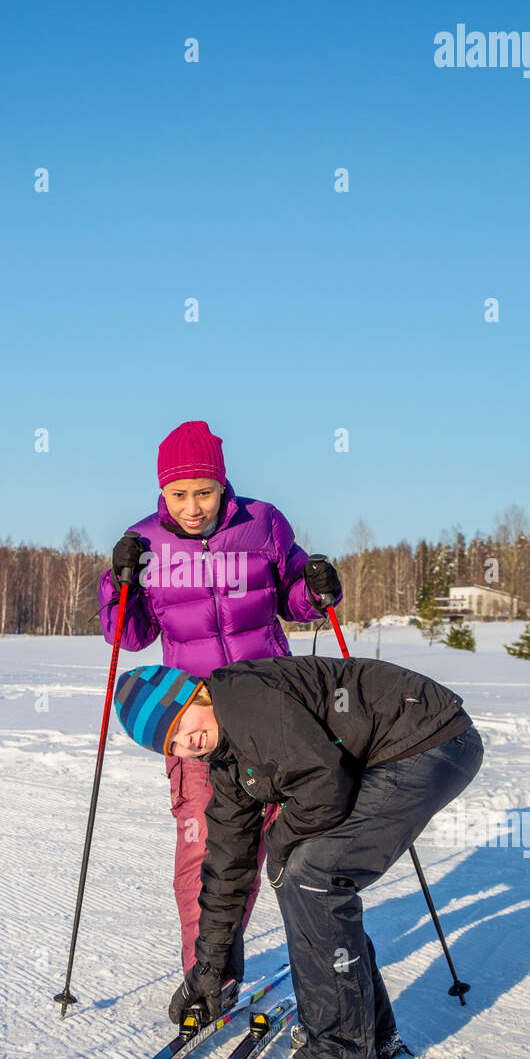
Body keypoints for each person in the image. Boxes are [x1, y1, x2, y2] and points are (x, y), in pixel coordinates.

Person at [113, 654, 484, 1059]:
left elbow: (323, 788)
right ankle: (372, 1033)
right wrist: (208, 969)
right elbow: (227, 864)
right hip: (400, 747)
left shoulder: (246, 699)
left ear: (198, 693)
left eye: (179, 724)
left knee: (314, 876)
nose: (185, 744)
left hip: (426, 740)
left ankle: (341, 1054)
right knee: (304, 876)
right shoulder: (228, 759)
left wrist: (279, 847)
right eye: (171, 745)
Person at [99, 420, 339, 991]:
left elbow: (297, 604)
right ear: (162, 491)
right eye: (179, 495)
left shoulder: (264, 524)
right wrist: (119, 582)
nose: (192, 507)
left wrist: (318, 586)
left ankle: (321, 967)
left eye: (203, 492)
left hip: (273, 709)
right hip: (194, 718)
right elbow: (127, 636)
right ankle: (206, 972)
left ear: (223, 484)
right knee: (205, 846)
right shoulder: (146, 542)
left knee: (291, 845)